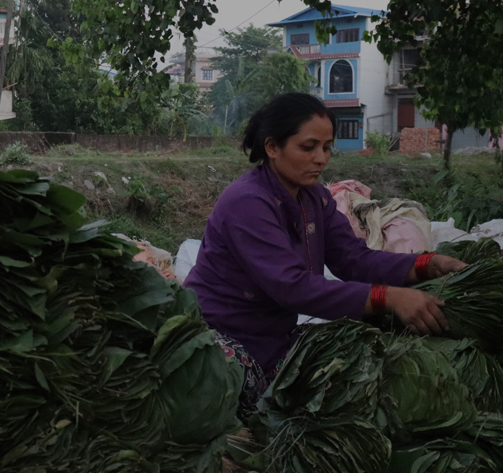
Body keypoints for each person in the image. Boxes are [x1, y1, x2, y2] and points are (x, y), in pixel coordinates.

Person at [183, 93, 467, 416]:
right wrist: (389, 297)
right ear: (272, 147)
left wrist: (427, 265)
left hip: (275, 342)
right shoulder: (246, 202)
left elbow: (355, 260)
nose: (321, 158)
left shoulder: (315, 199)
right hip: (221, 337)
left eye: (327, 147)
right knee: (235, 386)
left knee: (365, 352)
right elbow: (293, 286)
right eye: (309, 147)